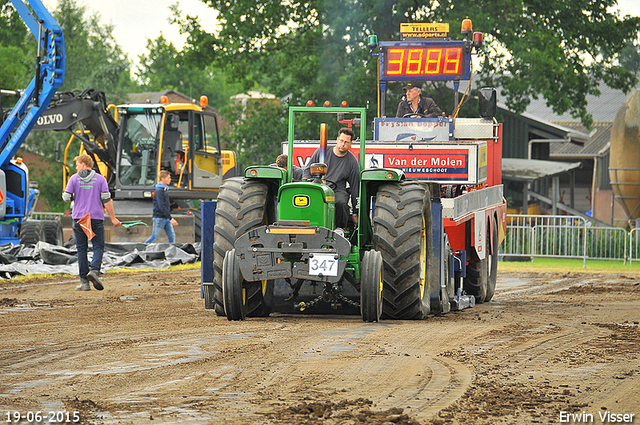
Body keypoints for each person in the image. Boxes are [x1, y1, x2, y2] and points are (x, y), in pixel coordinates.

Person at [63, 154, 121, 291]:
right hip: (95, 218)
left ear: (83, 164)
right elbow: (106, 200)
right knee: (98, 246)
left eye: (77, 164)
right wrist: (113, 218)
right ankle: (94, 271)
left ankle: (84, 283)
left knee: (81, 249)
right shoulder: (101, 179)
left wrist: (72, 194)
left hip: (79, 219)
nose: (76, 167)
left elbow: (66, 198)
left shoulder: (74, 178)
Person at [302, 128, 359, 230]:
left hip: (337, 189)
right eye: (341, 141)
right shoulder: (322, 152)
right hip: (318, 186)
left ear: (351, 144)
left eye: (346, 142)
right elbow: (307, 170)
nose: (342, 144)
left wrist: (356, 212)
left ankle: (340, 229)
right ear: (337, 140)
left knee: (341, 202)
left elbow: (355, 188)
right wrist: (305, 184)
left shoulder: (352, 162)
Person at [145, 170, 179, 244]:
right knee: (155, 237)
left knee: (172, 236)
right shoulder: (159, 191)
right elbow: (161, 206)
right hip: (159, 218)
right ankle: (141, 248)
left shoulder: (164, 190)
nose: (170, 179)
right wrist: (171, 218)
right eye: (168, 178)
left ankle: (171, 251)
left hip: (165, 218)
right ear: (162, 179)